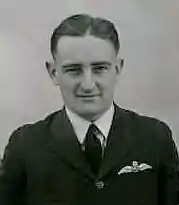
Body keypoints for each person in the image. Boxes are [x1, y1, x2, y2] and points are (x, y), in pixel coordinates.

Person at [0, 14, 178, 205]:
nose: (87, 84)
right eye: (73, 70)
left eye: (100, 68)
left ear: (118, 69)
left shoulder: (154, 138)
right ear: (53, 72)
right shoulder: (26, 146)